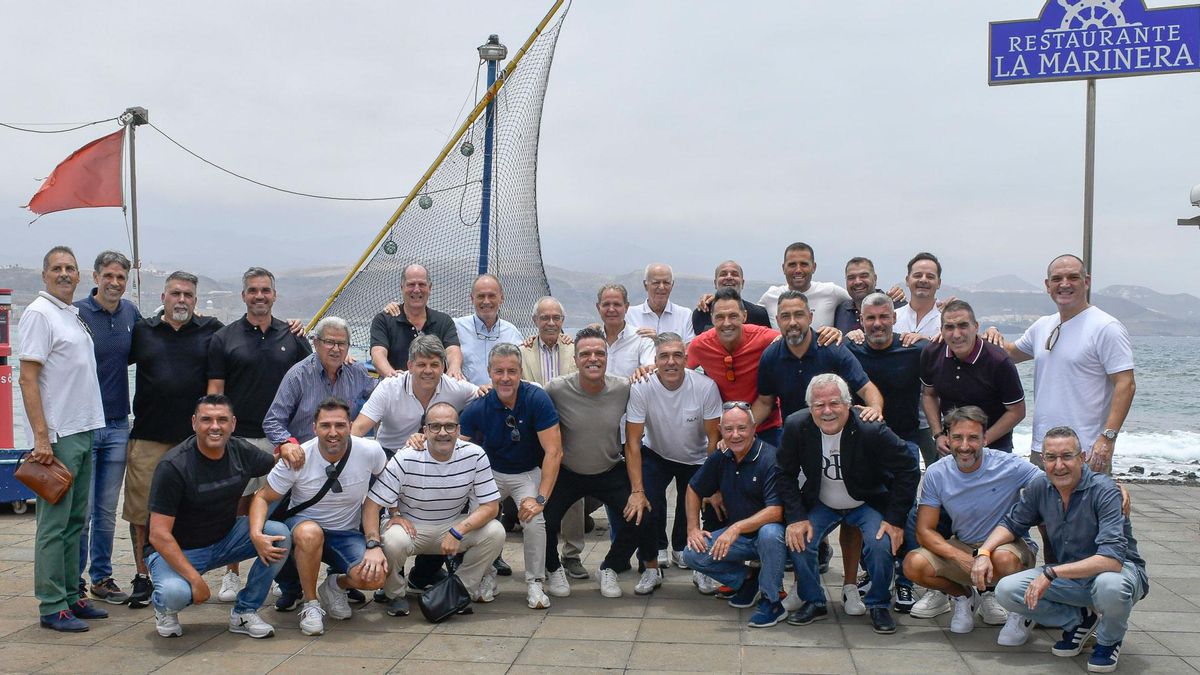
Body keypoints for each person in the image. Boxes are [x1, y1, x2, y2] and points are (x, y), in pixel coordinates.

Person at [982, 426, 1147, 673]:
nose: (1059, 465)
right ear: (1042, 460)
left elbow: (1112, 560)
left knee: (1109, 585)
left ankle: (1108, 641)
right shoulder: (1041, 487)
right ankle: (1080, 620)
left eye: (1067, 456)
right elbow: (1012, 524)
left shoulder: (1104, 490)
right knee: (1006, 590)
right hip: (1072, 576)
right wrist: (983, 553)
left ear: (1082, 458)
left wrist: (1051, 573)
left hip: (1118, 572)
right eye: (1051, 457)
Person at [775, 374, 919, 634]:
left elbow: (908, 467)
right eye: (819, 405)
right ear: (810, 408)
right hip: (822, 501)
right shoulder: (796, 426)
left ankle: (878, 604)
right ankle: (814, 600)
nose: (827, 411)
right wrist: (796, 517)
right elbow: (784, 473)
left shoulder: (870, 428)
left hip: (865, 501)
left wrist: (895, 520)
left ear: (848, 404)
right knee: (799, 539)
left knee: (881, 543)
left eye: (834, 403)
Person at [145, 395, 298, 639]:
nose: (215, 426)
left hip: (225, 539)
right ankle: (164, 609)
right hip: (179, 549)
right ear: (194, 422)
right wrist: (195, 581)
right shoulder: (174, 466)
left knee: (279, 535)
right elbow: (158, 534)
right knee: (175, 594)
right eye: (207, 420)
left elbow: (277, 463)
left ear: (233, 424)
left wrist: (289, 446)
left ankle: (244, 611)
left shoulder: (240, 450)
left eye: (222, 420)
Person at [17, 246, 108, 632]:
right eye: (57, 268)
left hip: (84, 429)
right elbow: (27, 378)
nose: (65, 273)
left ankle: (72, 594)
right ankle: (52, 604)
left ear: (79, 275)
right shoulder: (39, 313)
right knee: (54, 524)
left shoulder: (70, 314)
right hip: (58, 436)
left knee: (75, 520)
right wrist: (41, 438)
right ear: (45, 275)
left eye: (70, 267)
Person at [207, 267, 312, 601]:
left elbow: (313, 377)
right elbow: (215, 392)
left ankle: (278, 574)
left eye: (265, 290)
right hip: (238, 438)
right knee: (236, 507)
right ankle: (231, 574)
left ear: (274, 295)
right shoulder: (224, 338)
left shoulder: (293, 336)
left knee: (276, 508)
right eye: (253, 290)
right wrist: (217, 434)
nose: (259, 296)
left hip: (281, 439)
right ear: (244, 296)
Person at [351, 334, 481, 598]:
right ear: (409, 365)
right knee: (384, 519)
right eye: (421, 364)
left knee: (445, 509)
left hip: (433, 456)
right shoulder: (389, 388)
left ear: (444, 366)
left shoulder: (456, 388)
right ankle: (390, 579)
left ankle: (423, 574)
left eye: (434, 364)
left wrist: (486, 389)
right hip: (390, 458)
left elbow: (484, 399)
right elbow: (359, 429)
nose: (428, 371)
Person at [123, 271, 223, 608]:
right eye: (175, 293)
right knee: (141, 511)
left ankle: (179, 572)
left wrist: (296, 330)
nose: (181, 300)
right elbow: (108, 360)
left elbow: (243, 349)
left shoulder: (211, 330)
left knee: (187, 511)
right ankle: (142, 576)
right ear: (163, 297)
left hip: (192, 442)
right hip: (147, 436)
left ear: (195, 300)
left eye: (188, 295)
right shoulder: (142, 331)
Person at [902, 407, 1042, 645]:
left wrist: (1107, 488)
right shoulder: (936, 472)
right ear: (947, 438)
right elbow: (924, 530)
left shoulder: (1010, 466)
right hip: (965, 544)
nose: (964, 446)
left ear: (985, 439)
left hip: (1007, 545)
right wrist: (961, 558)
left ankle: (1020, 612)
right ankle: (964, 597)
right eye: (958, 437)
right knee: (914, 565)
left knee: (1004, 559)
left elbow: (1054, 483)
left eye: (973, 438)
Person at [249, 398, 388, 634]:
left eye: (340, 425)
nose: (333, 432)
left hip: (345, 532)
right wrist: (256, 534)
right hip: (303, 530)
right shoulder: (299, 456)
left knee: (375, 577)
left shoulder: (370, 451)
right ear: (314, 428)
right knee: (310, 533)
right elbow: (262, 497)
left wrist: (391, 520)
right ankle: (311, 604)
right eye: (325, 425)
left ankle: (335, 586)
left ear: (350, 425)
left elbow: (388, 482)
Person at [543, 327, 658, 598]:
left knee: (642, 516)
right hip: (568, 472)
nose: (593, 358)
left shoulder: (623, 388)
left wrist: (651, 366)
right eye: (585, 354)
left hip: (608, 469)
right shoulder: (556, 389)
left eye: (599, 353)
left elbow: (656, 390)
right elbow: (529, 402)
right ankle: (553, 568)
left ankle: (610, 568)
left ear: (607, 357)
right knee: (541, 521)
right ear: (575, 359)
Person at [995, 254, 1135, 475]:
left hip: (1086, 451)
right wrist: (991, 333)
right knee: (1042, 499)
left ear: (1086, 282)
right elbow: (1010, 354)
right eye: (1057, 278)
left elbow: (1125, 384)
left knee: (1089, 500)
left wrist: (1108, 438)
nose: (1065, 284)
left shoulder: (1106, 327)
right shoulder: (1042, 326)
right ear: (1047, 285)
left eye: (1073, 277)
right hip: (1043, 449)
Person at [362, 403, 507, 605]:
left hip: (451, 525)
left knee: (495, 532)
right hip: (411, 527)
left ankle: (459, 590)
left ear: (458, 430)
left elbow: (491, 506)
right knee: (392, 541)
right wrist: (373, 544)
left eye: (449, 426)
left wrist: (458, 531)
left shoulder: (475, 455)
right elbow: (371, 505)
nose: (443, 432)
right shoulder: (406, 457)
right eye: (435, 426)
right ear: (425, 430)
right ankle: (394, 594)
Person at [460, 343, 564, 609]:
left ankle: (535, 582)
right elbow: (455, 446)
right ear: (489, 372)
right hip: (491, 473)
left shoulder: (537, 399)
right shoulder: (478, 406)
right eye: (499, 371)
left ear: (520, 373)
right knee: (479, 519)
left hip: (527, 472)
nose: (505, 378)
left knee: (534, 519)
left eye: (512, 371)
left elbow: (554, 451)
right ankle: (487, 575)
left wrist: (540, 498)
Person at [846, 292, 929, 614]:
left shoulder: (914, 349)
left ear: (895, 318)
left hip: (903, 444)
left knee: (905, 512)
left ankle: (906, 579)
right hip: (862, 447)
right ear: (861, 321)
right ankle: (874, 572)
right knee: (865, 511)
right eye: (870, 318)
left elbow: (954, 349)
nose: (877, 324)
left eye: (884, 317)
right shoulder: (850, 349)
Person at [681, 402, 787, 628]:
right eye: (729, 429)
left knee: (769, 533)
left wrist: (735, 528)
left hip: (773, 538)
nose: (735, 435)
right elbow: (693, 488)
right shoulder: (722, 456)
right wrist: (692, 528)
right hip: (740, 538)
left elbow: (776, 511)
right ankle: (749, 580)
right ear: (720, 430)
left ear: (754, 428)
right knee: (692, 553)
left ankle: (772, 600)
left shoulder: (770, 458)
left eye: (742, 428)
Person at [73, 250, 140, 605]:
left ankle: (102, 577)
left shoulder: (130, 313)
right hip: (84, 424)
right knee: (81, 511)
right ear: (96, 277)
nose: (114, 283)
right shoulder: (77, 314)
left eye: (121, 277)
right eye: (109, 275)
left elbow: (157, 341)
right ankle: (75, 581)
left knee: (106, 510)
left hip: (116, 425)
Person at [626, 332, 722, 570]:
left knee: (690, 503)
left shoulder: (705, 387)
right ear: (655, 360)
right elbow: (633, 442)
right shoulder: (641, 386)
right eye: (664, 356)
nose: (671, 362)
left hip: (696, 456)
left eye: (677, 355)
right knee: (650, 501)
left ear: (687, 359)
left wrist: (714, 485)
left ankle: (681, 548)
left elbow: (714, 439)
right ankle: (656, 550)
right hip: (657, 452)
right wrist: (637, 490)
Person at [518, 297, 589, 582]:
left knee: (574, 496)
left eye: (556, 318)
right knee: (536, 494)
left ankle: (572, 555)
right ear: (535, 321)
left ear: (563, 321)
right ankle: (542, 558)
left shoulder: (575, 350)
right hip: (534, 433)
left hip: (569, 432)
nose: (550, 323)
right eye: (544, 318)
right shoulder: (521, 351)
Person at [263, 316, 376, 461]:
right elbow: (273, 421)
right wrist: (287, 443)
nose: (336, 349)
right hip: (304, 459)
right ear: (316, 343)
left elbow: (381, 399)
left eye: (341, 343)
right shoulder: (298, 376)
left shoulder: (357, 372)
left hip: (345, 459)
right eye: (329, 342)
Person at [922, 300, 1025, 453]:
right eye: (949, 327)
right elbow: (929, 394)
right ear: (941, 330)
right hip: (951, 445)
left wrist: (982, 441)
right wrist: (938, 435)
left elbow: (1017, 411)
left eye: (963, 326)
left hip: (994, 447)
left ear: (976, 327)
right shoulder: (932, 353)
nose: (956, 334)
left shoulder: (998, 361)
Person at [687, 287, 782, 444]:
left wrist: (826, 333)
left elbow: (798, 339)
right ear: (712, 319)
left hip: (767, 428)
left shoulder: (765, 338)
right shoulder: (700, 346)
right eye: (720, 317)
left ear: (744, 316)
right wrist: (649, 369)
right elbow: (677, 369)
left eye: (733, 316)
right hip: (726, 432)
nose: (727, 323)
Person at [370, 263, 464, 379]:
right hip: (396, 386)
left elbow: (453, 350)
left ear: (430, 288)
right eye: (411, 284)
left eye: (422, 284)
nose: (416, 289)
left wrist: (454, 368)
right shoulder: (383, 320)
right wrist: (392, 376)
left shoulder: (444, 321)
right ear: (402, 287)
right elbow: (378, 353)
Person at [758, 242, 851, 330]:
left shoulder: (831, 292)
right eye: (792, 265)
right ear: (783, 268)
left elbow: (857, 305)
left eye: (804, 264)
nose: (798, 270)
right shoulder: (770, 297)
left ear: (814, 267)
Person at [453, 274, 523, 386]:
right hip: (467, 396)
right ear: (472, 299)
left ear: (501, 298)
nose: (486, 301)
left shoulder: (512, 333)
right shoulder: (456, 329)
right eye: (481, 296)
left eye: (491, 296)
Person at [692, 260, 771, 334]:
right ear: (715, 283)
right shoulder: (701, 314)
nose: (729, 277)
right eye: (723, 274)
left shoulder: (759, 314)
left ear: (742, 283)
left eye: (734, 274)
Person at [833, 256, 907, 333]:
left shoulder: (896, 306)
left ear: (875, 279)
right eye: (851, 277)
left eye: (863, 276)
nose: (857, 282)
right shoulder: (840, 310)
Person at [595, 283, 654, 378]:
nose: (611, 309)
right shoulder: (591, 340)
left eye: (617, 304)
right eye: (606, 304)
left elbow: (650, 368)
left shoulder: (642, 339)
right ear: (598, 308)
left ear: (626, 307)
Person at [626, 263, 695, 342]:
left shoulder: (685, 315)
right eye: (656, 283)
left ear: (672, 285)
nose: (661, 287)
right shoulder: (629, 315)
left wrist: (657, 341)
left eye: (666, 283)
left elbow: (689, 348)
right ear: (645, 285)